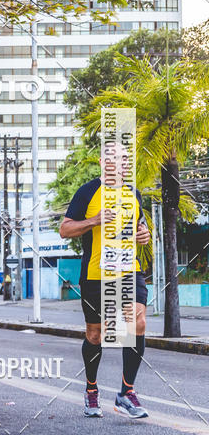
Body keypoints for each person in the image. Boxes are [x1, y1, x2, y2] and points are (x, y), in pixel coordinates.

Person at [59, 142, 151, 419]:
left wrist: (143, 235)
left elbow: (140, 228)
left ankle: (126, 392)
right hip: (96, 273)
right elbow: (65, 229)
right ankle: (91, 389)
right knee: (95, 334)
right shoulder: (88, 192)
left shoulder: (133, 194)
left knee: (137, 320)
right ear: (102, 161)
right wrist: (94, 220)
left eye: (124, 157)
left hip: (128, 269)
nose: (119, 162)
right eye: (113, 157)